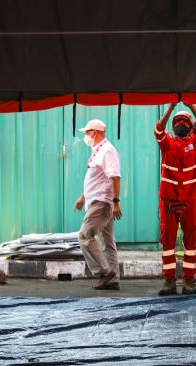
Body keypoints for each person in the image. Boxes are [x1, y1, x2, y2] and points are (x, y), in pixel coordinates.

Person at [154, 102, 196, 295]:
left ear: (190, 126)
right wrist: (169, 109)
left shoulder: (195, 143)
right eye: (178, 122)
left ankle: (188, 282)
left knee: (191, 243)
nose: (181, 124)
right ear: (173, 126)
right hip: (168, 201)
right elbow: (158, 129)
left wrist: (192, 106)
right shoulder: (166, 144)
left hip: (190, 200)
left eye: (185, 122)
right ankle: (169, 283)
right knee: (168, 243)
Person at [74, 119, 122, 290]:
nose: (86, 136)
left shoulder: (107, 151)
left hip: (101, 203)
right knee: (107, 243)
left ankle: (105, 271)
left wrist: (116, 202)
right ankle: (113, 280)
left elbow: (114, 177)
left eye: (87, 132)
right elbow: (96, 180)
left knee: (84, 236)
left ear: (94, 132)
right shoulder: (98, 151)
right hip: (96, 200)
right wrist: (82, 198)